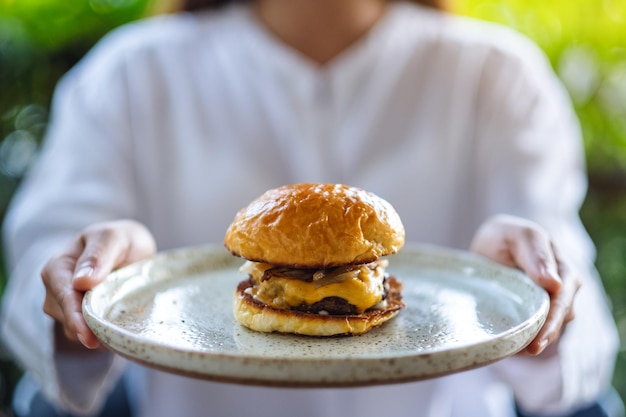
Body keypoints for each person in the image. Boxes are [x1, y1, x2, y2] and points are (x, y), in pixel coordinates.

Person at [0, 0, 620, 416]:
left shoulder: (499, 75)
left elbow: (585, 346)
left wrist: (526, 288)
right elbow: (36, 284)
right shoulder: (128, 74)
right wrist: (93, 288)